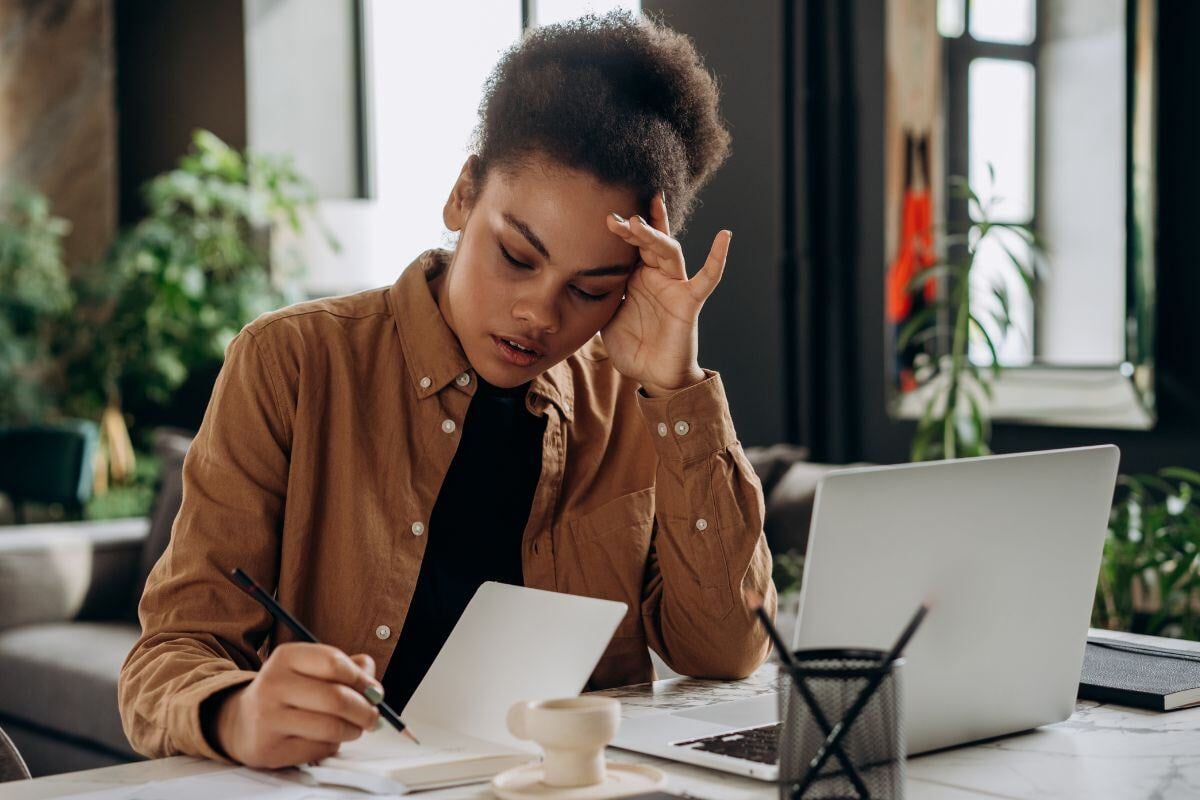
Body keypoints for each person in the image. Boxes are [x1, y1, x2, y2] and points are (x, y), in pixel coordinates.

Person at [118, 10, 776, 770]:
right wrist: (235, 713)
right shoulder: (293, 362)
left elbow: (725, 652)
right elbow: (169, 654)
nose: (541, 313)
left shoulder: (633, 401)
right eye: (517, 255)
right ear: (463, 194)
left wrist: (677, 390)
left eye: (591, 289)